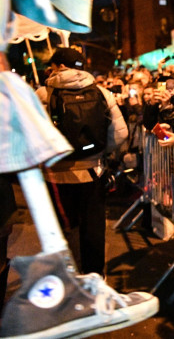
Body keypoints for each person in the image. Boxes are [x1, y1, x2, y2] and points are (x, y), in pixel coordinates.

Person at [35, 47, 128, 275]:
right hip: (92, 171)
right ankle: (95, 279)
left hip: (56, 174)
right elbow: (121, 134)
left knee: (65, 229)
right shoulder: (101, 92)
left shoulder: (42, 94)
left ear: (59, 67)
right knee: (93, 229)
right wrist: (98, 151)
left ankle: (69, 278)